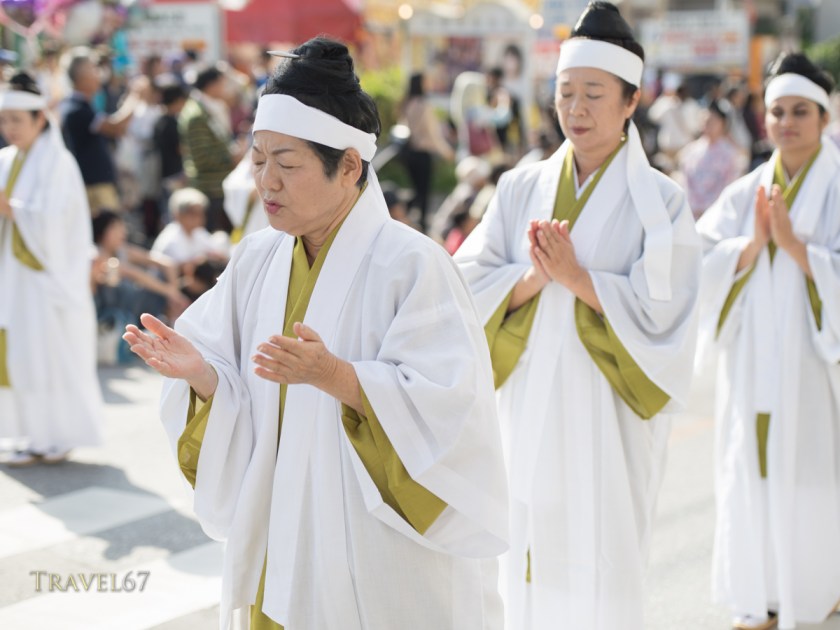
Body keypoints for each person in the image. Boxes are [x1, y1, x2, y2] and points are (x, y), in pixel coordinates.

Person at [123, 37, 508, 630]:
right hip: (280, 528)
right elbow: (229, 379)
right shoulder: (256, 258)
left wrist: (339, 377)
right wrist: (200, 376)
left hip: (373, 547)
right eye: (258, 160)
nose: (266, 182)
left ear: (349, 166)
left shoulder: (412, 264)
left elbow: (451, 412)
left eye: (289, 163)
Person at [454, 2, 702, 628]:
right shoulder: (519, 187)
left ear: (630, 102)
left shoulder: (661, 204)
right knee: (528, 546)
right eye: (566, 93)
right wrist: (533, 278)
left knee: (603, 552)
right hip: (529, 401)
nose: (577, 109)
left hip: (607, 410)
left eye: (595, 94)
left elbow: (667, 316)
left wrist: (580, 281)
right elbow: (466, 287)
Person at [696, 51, 840, 630]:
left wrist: (798, 247)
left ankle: (820, 585)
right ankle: (762, 597)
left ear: (824, 117)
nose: (786, 122)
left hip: (815, 365)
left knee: (814, 474)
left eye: (800, 111)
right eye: (777, 111)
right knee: (750, 469)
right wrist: (751, 246)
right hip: (753, 360)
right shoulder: (745, 192)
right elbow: (699, 264)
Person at [0, 72, 104, 465]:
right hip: (15, 275)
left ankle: (53, 435)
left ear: (39, 119)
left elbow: (59, 222)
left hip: (46, 278)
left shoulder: (58, 163)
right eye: (4, 120)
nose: (9, 128)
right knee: (19, 357)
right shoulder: (7, 159)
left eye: (16, 120)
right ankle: (29, 432)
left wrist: (13, 211)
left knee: (46, 357)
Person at [59, 46, 137, 216]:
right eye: (94, 68)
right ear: (81, 75)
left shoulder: (81, 106)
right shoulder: (75, 109)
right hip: (93, 188)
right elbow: (115, 127)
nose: (100, 74)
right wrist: (135, 97)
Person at [179, 64, 245, 233]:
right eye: (222, 83)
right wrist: (232, 157)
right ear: (211, 85)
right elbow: (202, 158)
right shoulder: (196, 115)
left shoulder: (207, 108)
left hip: (218, 188)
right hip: (210, 190)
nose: (225, 88)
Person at [92, 210, 187, 325]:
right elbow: (133, 273)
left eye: (122, 227)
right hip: (111, 312)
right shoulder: (96, 254)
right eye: (115, 228)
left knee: (162, 276)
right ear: (103, 230)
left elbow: (166, 263)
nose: (122, 232)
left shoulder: (122, 250)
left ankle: (172, 318)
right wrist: (170, 292)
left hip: (132, 307)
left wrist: (173, 291)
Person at [399, 72, 454, 233]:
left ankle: (402, 213)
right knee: (423, 192)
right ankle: (421, 225)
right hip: (423, 154)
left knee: (416, 190)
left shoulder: (407, 104)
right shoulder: (424, 105)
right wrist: (446, 152)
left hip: (410, 152)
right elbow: (433, 134)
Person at [675, 100, 746, 219]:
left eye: (711, 122)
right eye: (704, 121)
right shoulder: (690, 151)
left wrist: (710, 208)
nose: (707, 125)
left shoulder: (731, 154)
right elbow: (685, 180)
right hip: (692, 211)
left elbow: (729, 185)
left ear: (723, 124)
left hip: (717, 213)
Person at [151, 187, 229, 271]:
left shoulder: (198, 232)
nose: (200, 218)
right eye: (194, 213)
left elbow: (218, 254)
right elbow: (184, 268)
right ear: (179, 214)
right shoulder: (170, 238)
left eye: (201, 213)